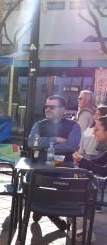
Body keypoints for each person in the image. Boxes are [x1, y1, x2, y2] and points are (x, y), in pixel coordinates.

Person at [28, 95, 82, 230]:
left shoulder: (74, 125)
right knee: (31, 186)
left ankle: (42, 210)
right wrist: (56, 138)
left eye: (52, 107)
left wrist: (44, 144)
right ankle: (51, 214)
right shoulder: (39, 125)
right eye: (46, 106)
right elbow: (31, 143)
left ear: (63, 109)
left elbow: (71, 146)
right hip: (41, 167)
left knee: (64, 193)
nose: (48, 109)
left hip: (64, 168)